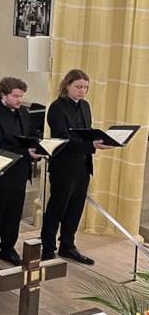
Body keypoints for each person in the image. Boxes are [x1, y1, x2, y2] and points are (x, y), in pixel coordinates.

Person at [40, 69, 113, 264]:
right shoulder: (57, 108)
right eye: (78, 87)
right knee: (56, 209)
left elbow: (85, 133)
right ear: (67, 85)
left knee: (75, 209)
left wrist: (99, 139)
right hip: (64, 167)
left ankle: (67, 245)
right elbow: (62, 139)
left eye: (85, 88)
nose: (82, 91)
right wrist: (91, 145)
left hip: (83, 166)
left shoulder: (85, 106)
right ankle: (47, 249)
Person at [0, 77, 43, 272]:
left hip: (19, 172)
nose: (19, 100)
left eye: (21, 96)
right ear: (3, 95)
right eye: (15, 96)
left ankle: (7, 249)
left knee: (13, 216)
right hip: (0, 174)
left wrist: (37, 147)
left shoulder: (23, 112)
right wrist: (26, 151)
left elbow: (31, 134)